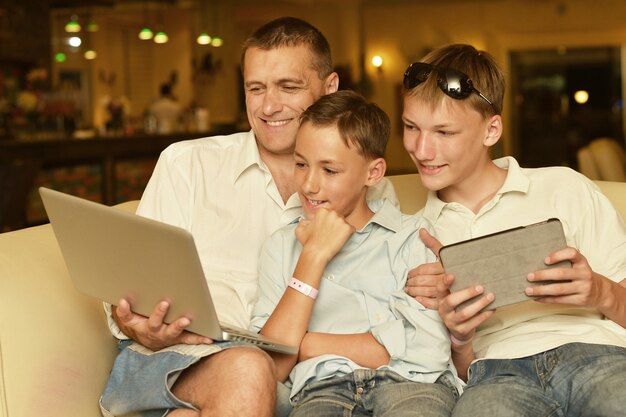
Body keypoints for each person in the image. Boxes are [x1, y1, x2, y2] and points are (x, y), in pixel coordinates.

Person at [99, 17, 396, 417]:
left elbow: (392, 296)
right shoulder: (188, 164)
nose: (268, 106)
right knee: (248, 366)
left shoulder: (365, 185)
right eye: (255, 89)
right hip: (169, 358)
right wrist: (139, 325)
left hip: (295, 375)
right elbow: (127, 287)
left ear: (329, 88)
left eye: (288, 87)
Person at [401, 43, 626, 416]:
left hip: (597, 353)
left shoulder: (564, 186)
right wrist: (458, 337)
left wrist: (601, 291)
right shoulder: (412, 231)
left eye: (444, 132)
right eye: (411, 127)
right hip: (495, 372)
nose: (422, 149)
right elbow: (445, 372)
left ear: (491, 130)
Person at [251, 90, 461, 417]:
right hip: (323, 390)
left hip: (414, 384)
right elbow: (272, 363)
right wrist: (313, 257)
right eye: (301, 164)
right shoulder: (281, 246)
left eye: (329, 171)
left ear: (373, 173)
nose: (308, 185)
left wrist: (306, 343)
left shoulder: (412, 237)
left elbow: (428, 350)